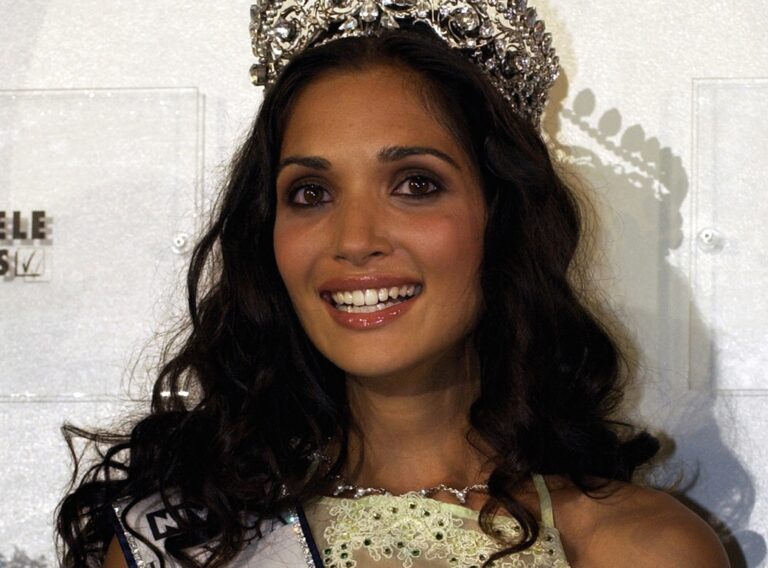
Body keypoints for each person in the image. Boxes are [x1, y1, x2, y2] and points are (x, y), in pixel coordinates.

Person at [56, 1, 730, 567]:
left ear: (503, 217)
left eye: (415, 184)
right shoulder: (185, 542)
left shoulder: (638, 549)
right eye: (311, 192)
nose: (354, 239)